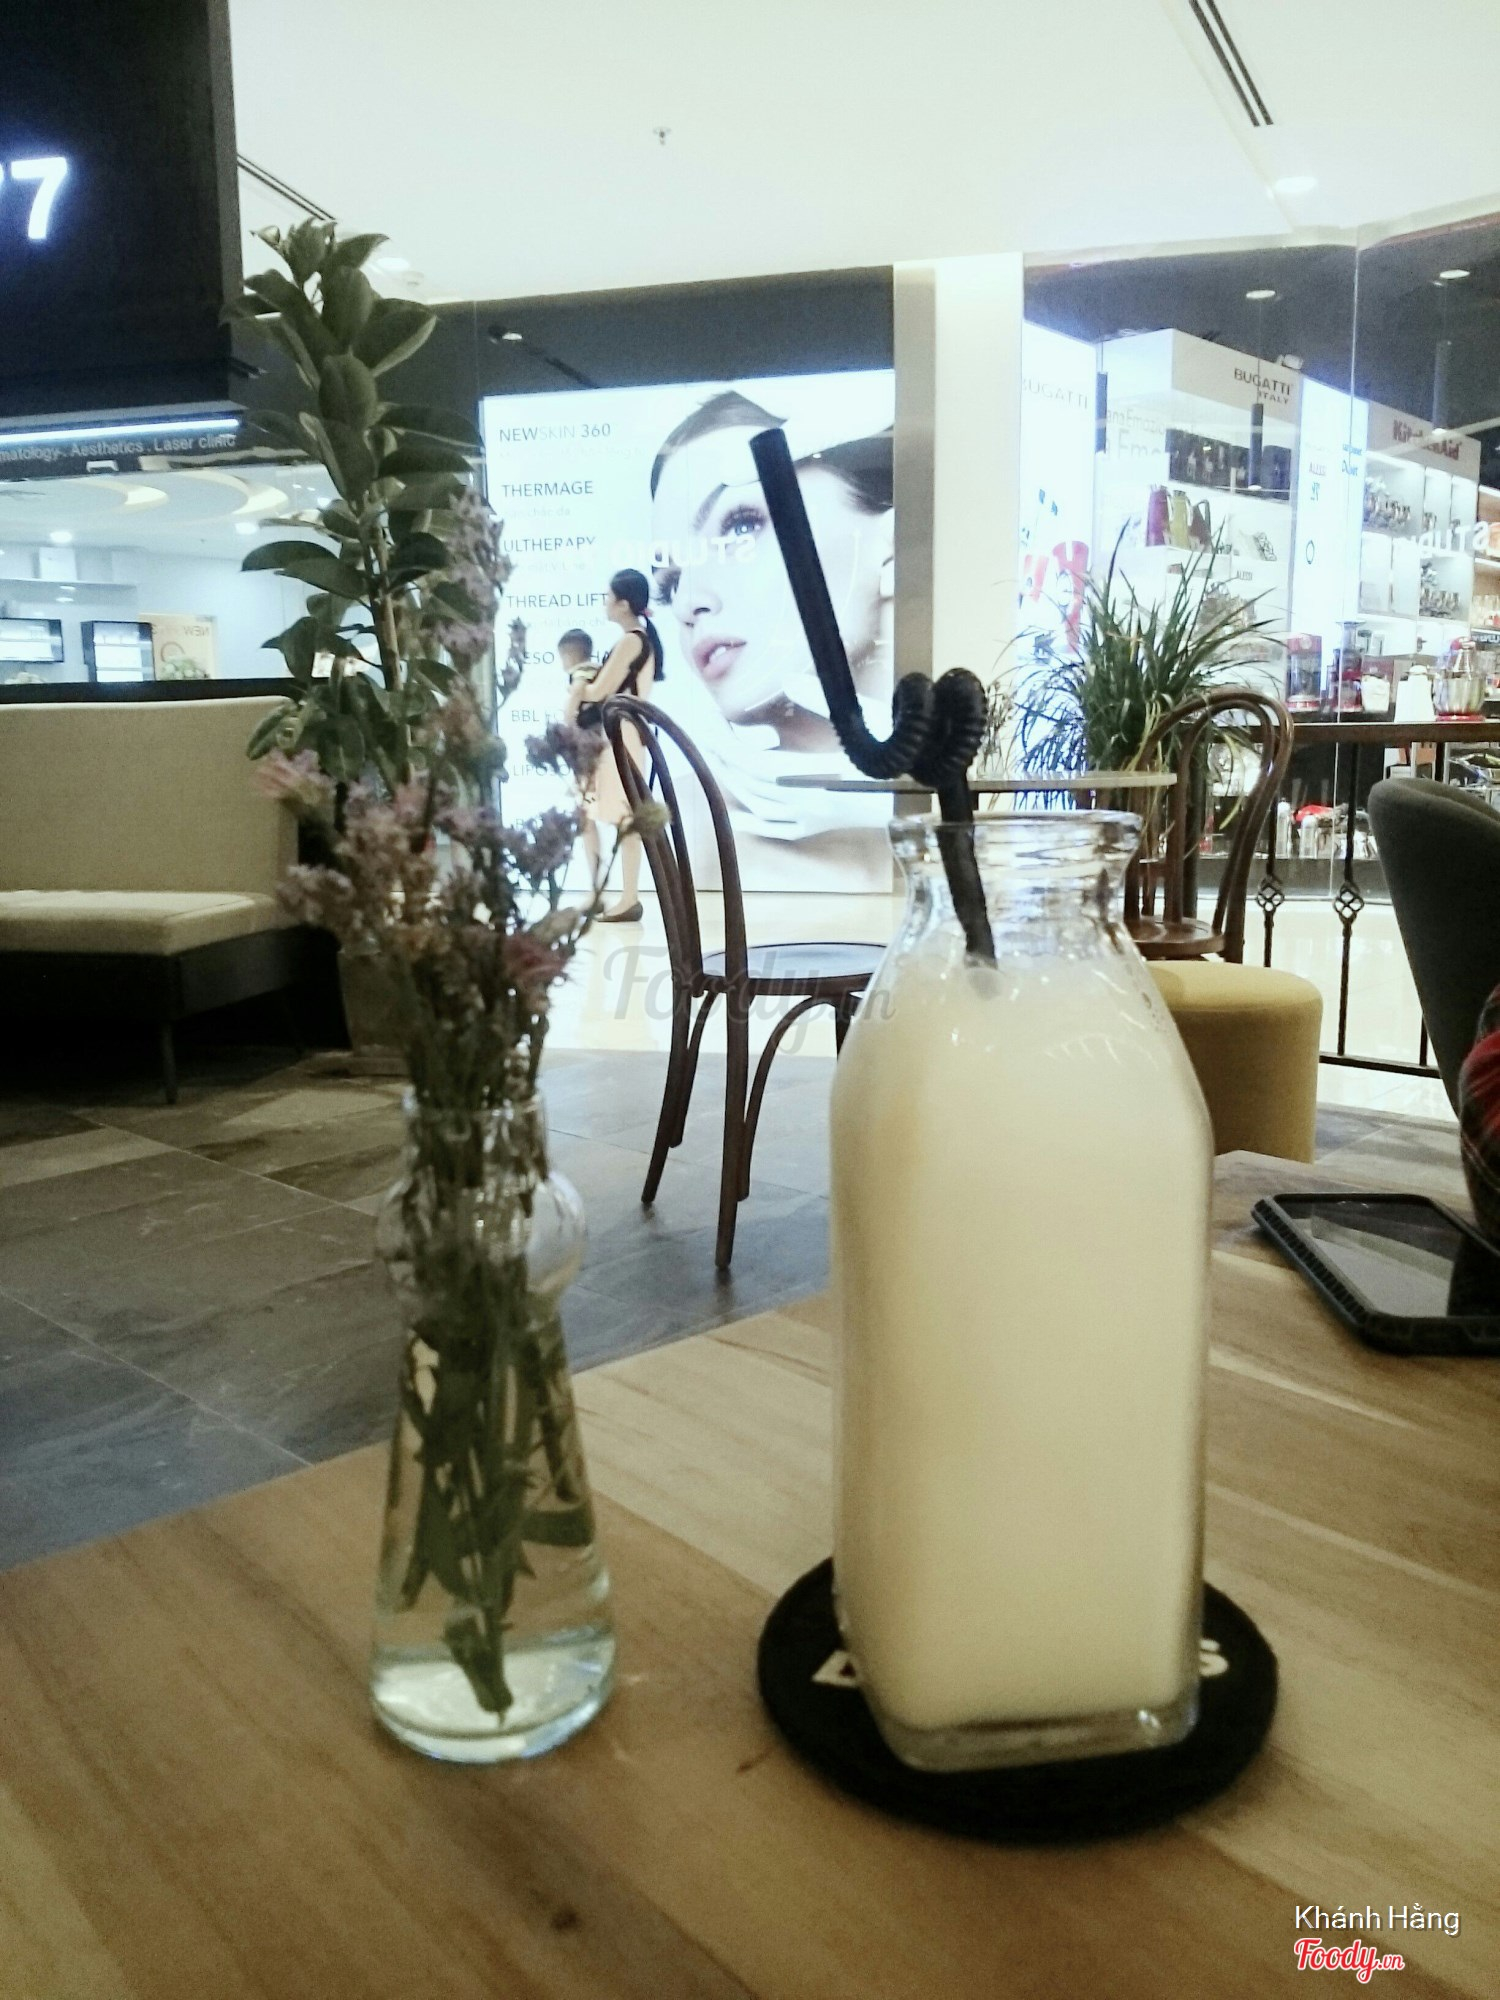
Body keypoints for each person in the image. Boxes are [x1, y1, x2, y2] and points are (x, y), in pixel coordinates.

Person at [646, 388, 895, 891]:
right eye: (670, 582)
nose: (687, 600)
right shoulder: (688, 824)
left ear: (891, 541)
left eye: (740, 528)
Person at [564, 571, 663, 922]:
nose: (605, 603)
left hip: (620, 735)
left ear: (623, 603)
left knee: (624, 815)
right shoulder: (635, 640)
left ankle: (628, 897)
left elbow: (598, 691)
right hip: (619, 733)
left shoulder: (631, 641)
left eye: (608, 597)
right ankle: (611, 895)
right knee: (605, 813)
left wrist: (577, 684)